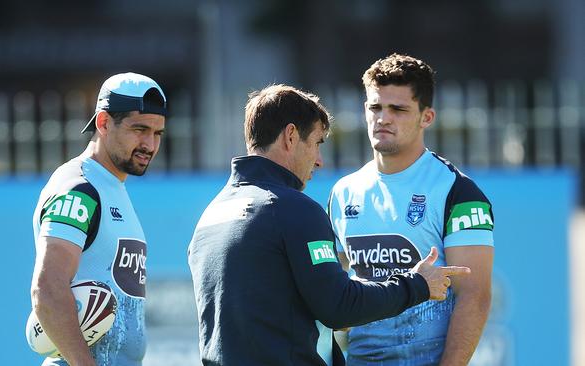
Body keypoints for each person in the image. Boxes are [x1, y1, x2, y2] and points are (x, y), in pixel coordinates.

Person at [188, 84, 471, 366]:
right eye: (317, 142)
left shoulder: (211, 215)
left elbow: (266, 311)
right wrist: (418, 284)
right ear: (290, 136)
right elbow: (340, 307)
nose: (319, 161)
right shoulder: (293, 208)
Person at [328, 53, 494, 365]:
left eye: (398, 109)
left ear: (426, 117)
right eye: (375, 107)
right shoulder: (343, 192)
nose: (383, 118)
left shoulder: (458, 192)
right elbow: (333, 292)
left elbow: (475, 296)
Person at [30, 72, 167, 366]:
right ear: (103, 123)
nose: (150, 144)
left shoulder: (112, 188)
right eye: (139, 129)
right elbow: (48, 289)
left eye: (157, 133)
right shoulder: (79, 188)